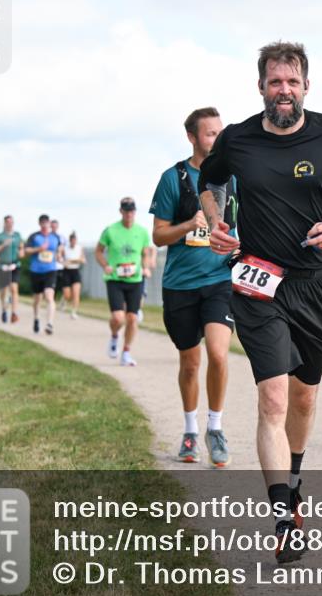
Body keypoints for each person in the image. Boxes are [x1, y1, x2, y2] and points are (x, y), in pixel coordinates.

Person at [199, 41, 322, 562]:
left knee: (304, 399)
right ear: (260, 86)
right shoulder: (236, 139)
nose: (284, 90)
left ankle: (294, 477)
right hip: (257, 282)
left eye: (292, 81)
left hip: (317, 284)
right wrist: (216, 221)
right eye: (275, 81)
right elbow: (208, 182)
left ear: (307, 86)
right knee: (274, 399)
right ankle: (282, 515)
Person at [150, 106, 236, 467]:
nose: (216, 139)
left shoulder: (233, 178)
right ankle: (190, 430)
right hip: (180, 285)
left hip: (219, 279)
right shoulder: (174, 178)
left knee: (218, 354)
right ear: (192, 137)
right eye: (210, 134)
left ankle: (215, 428)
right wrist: (188, 225)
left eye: (220, 132)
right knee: (190, 362)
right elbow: (158, 236)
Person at [95, 197, 154, 366]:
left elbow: (145, 253)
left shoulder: (142, 232)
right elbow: (99, 252)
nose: (129, 214)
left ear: (135, 212)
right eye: (126, 211)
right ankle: (114, 337)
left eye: (132, 211)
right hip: (115, 279)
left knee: (133, 318)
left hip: (135, 280)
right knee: (118, 318)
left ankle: (126, 353)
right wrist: (105, 265)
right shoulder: (110, 231)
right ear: (121, 211)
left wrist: (146, 266)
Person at [24, 214, 60, 335]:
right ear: (39, 224)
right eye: (42, 223)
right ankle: (36, 318)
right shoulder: (34, 237)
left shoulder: (55, 237)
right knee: (37, 299)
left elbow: (59, 249)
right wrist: (38, 249)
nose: (45, 225)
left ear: (49, 224)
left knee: (49, 296)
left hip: (50, 270)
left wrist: (59, 255)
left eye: (47, 223)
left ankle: (49, 324)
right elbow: (26, 250)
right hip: (36, 271)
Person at [0, 215, 24, 324]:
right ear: (4, 223)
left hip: (15, 265)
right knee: (4, 291)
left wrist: (21, 252)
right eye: (7, 222)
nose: (10, 224)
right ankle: (4, 310)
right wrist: (3, 245)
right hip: (3, 265)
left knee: (14, 289)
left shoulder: (17, 235)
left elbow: (21, 246)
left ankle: (14, 313)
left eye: (11, 222)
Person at [61, 232, 85, 319]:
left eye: (75, 241)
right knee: (68, 294)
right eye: (72, 241)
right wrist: (63, 262)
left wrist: (71, 261)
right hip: (66, 271)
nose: (73, 242)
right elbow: (61, 259)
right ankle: (64, 299)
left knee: (76, 293)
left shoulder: (79, 248)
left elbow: (83, 260)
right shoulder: (65, 248)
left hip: (75, 271)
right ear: (70, 241)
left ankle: (74, 312)